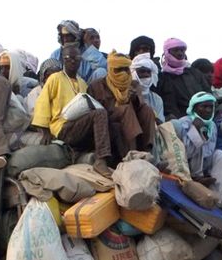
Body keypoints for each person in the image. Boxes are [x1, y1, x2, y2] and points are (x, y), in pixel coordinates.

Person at [33, 44, 112, 174]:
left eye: (76, 57)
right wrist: (45, 131)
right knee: (99, 114)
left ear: (81, 60)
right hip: (62, 127)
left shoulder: (82, 83)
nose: (72, 60)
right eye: (68, 57)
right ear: (63, 59)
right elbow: (43, 103)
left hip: (78, 126)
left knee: (107, 118)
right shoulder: (55, 78)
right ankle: (101, 160)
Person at [87, 52, 157, 162]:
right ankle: (132, 155)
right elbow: (94, 111)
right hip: (107, 121)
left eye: (126, 69)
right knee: (125, 109)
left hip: (131, 118)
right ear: (111, 69)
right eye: (119, 70)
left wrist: (134, 99)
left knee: (147, 111)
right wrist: (122, 103)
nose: (123, 73)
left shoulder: (133, 84)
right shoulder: (97, 86)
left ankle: (147, 154)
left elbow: (141, 106)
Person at [170, 92, 222, 203]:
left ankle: (216, 199)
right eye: (204, 106)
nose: (208, 110)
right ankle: (197, 179)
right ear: (194, 108)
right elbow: (185, 152)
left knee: (221, 155)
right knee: (199, 141)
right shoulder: (184, 123)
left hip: (204, 166)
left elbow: (210, 151)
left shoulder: (213, 127)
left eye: (211, 107)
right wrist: (196, 131)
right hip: (186, 166)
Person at [155, 38, 212, 120]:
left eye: (182, 50)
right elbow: (169, 106)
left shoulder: (194, 73)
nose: (180, 53)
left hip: (204, 115)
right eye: (176, 50)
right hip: (181, 120)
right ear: (167, 52)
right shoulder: (162, 77)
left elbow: (208, 93)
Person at [130, 53, 165, 122]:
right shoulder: (125, 95)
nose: (146, 74)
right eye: (142, 71)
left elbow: (160, 123)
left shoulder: (157, 99)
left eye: (148, 72)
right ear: (133, 73)